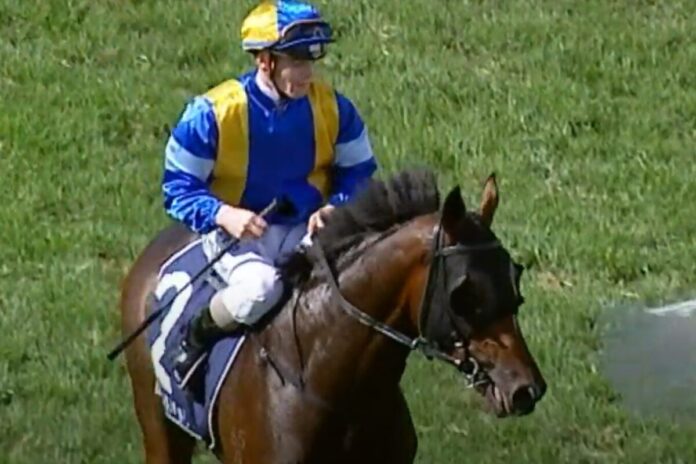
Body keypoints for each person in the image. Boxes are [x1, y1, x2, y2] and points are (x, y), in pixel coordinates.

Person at [160, 0, 378, 387]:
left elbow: (359, 173)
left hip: (305, 228)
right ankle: (195, 335)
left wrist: (336, 207)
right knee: (259, 291)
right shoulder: (211, 114)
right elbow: (178, 186)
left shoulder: (335, 109)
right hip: (236, 236)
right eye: (295, 62)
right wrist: (224, 214)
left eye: (310, 62)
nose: (306, 74)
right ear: (264, 61)